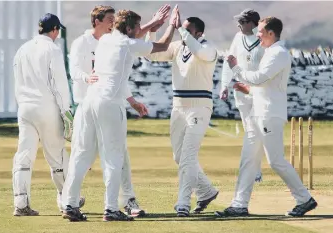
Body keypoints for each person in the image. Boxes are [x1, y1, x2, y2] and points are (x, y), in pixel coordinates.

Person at [62, 6, 179, 221]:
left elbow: (133, 40)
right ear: (130, 28)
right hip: (109, 103)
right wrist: (172, 25)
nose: (138, 30)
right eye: (136, 27)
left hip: (89, 101)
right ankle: (111, 209)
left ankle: (69, 204)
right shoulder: (127, 43)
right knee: (114, 157)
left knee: (81, 155)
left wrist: (152, 25)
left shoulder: (106, 40)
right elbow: (162, 45)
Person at [215, 17, 317, 217]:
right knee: (249, 159)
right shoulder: (271, 52)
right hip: (258, 113)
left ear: (271, 33)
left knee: (275, 160)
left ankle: (304, 199)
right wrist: (249, 90)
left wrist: (236, 68)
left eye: (260, 31)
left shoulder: (278, 53)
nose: (257, 35)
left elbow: (260, 77)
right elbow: (265, 85)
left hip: (269, 114)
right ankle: (239, 205)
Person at [145, 12, 219, 217]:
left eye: (187, 29)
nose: (182, 31)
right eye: (181, 28)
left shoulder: (208, 48)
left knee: (187, 157)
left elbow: (200, 52)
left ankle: (183, 203)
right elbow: (152, 54)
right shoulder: (178, 47)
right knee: (179, 156)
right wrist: (153, 30)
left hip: (199, 107)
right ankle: (206, 191)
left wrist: (180, 29)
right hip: (178, 107)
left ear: (199, 32)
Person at [12, 13, 83, 216]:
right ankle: (69, 200)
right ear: (54, 30)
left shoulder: (22, 49)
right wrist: (66, 111)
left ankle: (21, 203)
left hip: (25, 108)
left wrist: (23, 104)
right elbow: (59, 83)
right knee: (57, 156)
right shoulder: (52, 49)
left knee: (24, 156)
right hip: (47, 107)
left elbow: (17, 82)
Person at [220, 9, 265, 183]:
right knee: (248, 129)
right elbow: (229, 61)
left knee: (256, 130)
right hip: (240, 91)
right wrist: (224, 85)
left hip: (258, 91)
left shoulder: (263, 41)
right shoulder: (238, 38)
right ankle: (255, 170)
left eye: (242, 21)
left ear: (251, 23)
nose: (238, 24)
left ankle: (255, 170)